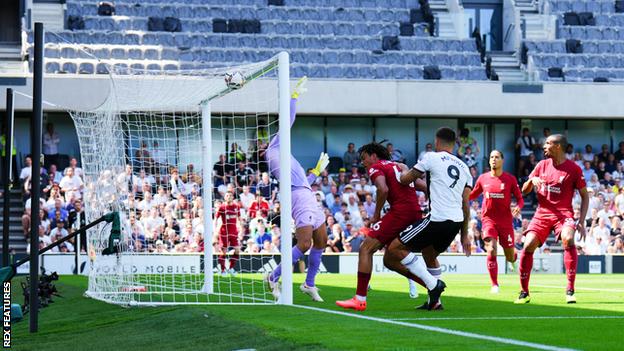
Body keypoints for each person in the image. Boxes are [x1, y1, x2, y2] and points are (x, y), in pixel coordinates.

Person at [382, 127, 472, 310]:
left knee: (393, 249)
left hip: (437, 219)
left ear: (437, 141)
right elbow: (466, 203)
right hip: (455, 223)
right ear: (454, 144)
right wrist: (464, 235)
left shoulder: (431, 157)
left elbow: (406, 180)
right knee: (429, 254)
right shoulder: (465, 168)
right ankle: (435, 302)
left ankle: (433, 285)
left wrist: (402, 169)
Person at [335, 142, 426, 311]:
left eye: (364, 158)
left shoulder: (376, 167)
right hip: (414, 212)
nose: (363, 162)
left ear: (374, 156)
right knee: (390, 259)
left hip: (400, 213)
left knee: (365, 249)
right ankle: (432, 284)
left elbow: (382, 190)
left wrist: (376, 215)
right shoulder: (400, 166)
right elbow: (422, 186)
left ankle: (360, 298)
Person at [264, 77, 330, 302]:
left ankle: (309, 283)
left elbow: (301, 181)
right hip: (298, 197)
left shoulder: (286, 154)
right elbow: (288, 120)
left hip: (306, 193)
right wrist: (294, 97)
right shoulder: (274, 149)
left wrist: (316, 172)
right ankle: (273, 276)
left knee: (322, 240)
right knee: (304, 244)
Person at [516, 134, 588, 304]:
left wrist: (582, 222)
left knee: (568, 238)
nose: (544, 146)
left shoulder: (574, 169)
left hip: (563, 214)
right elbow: (524, 191)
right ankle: (524, 292)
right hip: (542, 213)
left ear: (558, 147)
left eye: (548, 144)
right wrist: (531, 180)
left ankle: (570, 290)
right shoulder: (541, 165)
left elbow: (585, 196)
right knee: (528, 244)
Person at [469, 150, 524, 293]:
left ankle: (513, 258)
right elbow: (473, 194)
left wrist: (518, 207)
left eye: (497, 157)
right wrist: (461, 197)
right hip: (489, 220)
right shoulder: (482, 178)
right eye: (492, 157)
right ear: (489, 161)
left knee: (510, 256)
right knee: (491, 249)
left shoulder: (510, 179)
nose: (494, 159)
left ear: (502, 160)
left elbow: (520, 198)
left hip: (506, 222)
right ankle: (494, 284)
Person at [215, 191, 241, 276]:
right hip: (224, 232)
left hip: (234, 232)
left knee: (237, 250)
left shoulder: (236, 206)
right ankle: (222, 270)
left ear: (233, 197)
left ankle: (230, 268)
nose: (229, 197)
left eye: (230, 195)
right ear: (225, 197)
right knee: (224, 251)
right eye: (227, 195)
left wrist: (240, 228)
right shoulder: (222, 207)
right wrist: (215, 229)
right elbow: (216, 218)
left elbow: (239, 218)